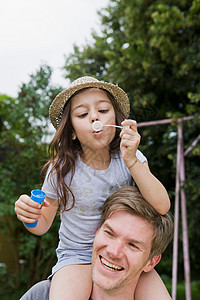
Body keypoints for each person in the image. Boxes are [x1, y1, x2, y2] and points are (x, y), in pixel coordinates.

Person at [15, 76, 171, 300]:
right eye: (82, 114)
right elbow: (42, 225)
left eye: (103, 110)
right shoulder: (61, 169)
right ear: (72, 132)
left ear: (116, 120)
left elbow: (162, 205)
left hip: (121, 253)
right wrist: (29, 215)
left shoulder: (130, 158)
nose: (95, 117)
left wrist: (133, 162)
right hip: (76, 257)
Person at [20, 186, 173, 300]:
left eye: (132, 245)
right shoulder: (43, 295)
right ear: (96, 232)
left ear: (151, 262)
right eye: (109, 233)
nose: (114, 251)